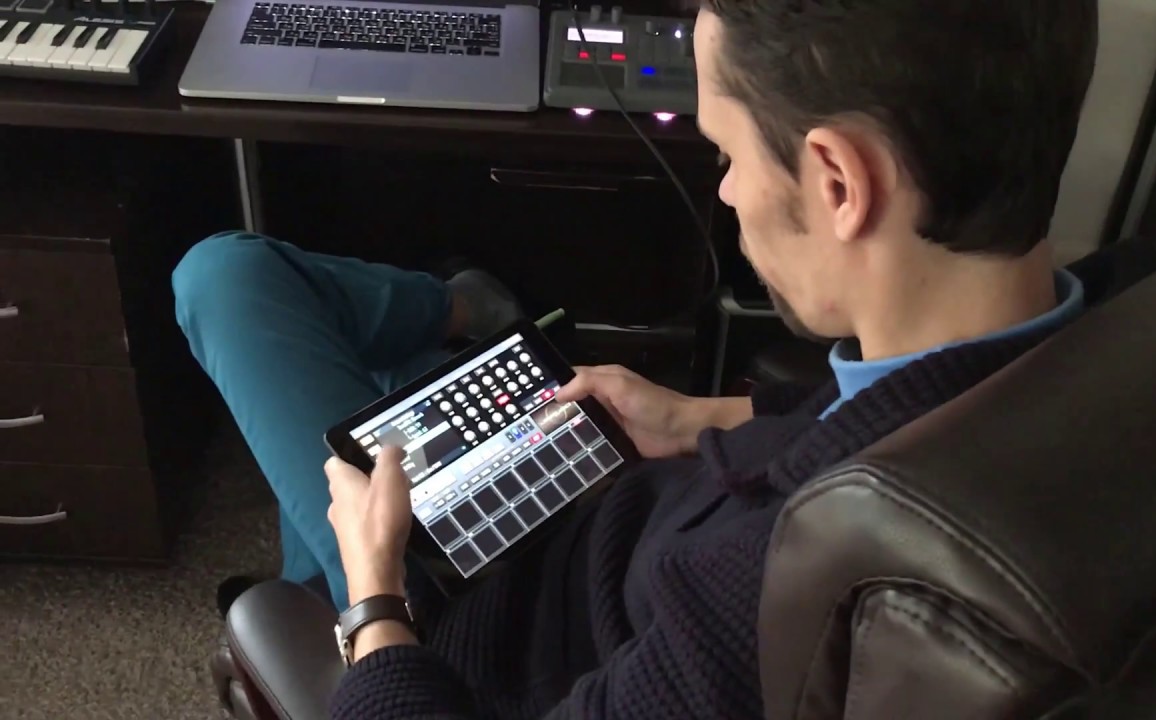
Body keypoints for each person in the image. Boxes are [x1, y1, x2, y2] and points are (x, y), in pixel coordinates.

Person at [173, 0, 1099, 717]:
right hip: (601, 510)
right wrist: (700, 417)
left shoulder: (763, 592)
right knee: (382, 393)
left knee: (227, 281)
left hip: (458, 628)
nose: (727, 193)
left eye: (727, 155)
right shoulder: (1087, 351)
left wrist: (376, 595)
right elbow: (857, 428)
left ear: (837, 183)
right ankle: (449, 324)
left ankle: (332, 562)